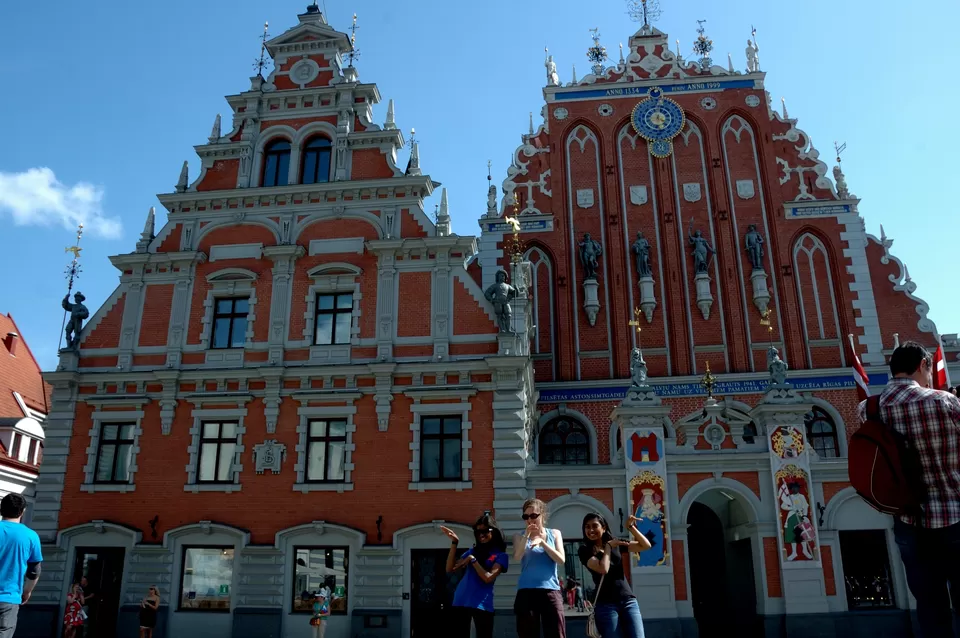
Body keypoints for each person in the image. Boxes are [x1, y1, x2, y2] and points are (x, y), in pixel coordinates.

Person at [857, 341, 960, 637]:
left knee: (929, 606)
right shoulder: (944, 402)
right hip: (954, 516)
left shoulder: (869, 409)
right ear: (924, 365)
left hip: (908, 521)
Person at [578, 513, 652, 638]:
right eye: (587, 527)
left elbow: (645, 545)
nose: (591, 530)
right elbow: (603, 568)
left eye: (594, 526)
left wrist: (631, 527)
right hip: (606, 605)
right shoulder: (584, 550)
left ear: (604, 527)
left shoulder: (614, 543)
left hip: (628, 601)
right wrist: (608, 548)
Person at [440, 514, 509, 638]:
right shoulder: (473, 551)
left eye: (484, 531)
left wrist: (472, 560)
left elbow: (488, 578)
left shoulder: (500, 555)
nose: (481, 534)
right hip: (461, 600)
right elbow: (450, 568)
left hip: (482, 603)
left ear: (493, 531)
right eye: (478, 531)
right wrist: (454, 543)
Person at [513, 498, 566, 638]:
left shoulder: (554, 533)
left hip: (550, 590)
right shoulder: (519, 536)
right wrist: (527, 535)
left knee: (556, 633)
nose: (530, 520)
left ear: (542, 514)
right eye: (526, 517)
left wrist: (542, 543)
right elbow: (517, 556)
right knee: (527, 633)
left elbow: (561, 559)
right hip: (526, 591)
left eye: (533, 516)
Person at [0, 493, 42, 638]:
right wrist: (27, 591)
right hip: (9, 598)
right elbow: (34, 571)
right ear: (23, 511)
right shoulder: (31, 536)